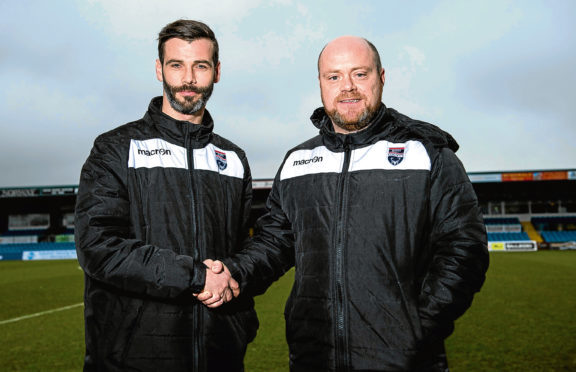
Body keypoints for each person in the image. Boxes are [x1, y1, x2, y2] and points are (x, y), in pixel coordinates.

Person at [204, 36, 490, 371]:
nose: (348, 87)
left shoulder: (427, 153)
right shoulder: (298, 160)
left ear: (381, 77)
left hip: (405, 360)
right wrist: (233, 272)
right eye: (334, 76)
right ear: (321, 84)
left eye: (360, 74)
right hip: (314, 357)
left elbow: (464, 249)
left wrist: (419, 328)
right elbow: (275, 242)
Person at [75, 19, 256, 371]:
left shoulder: (233, 160)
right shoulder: (116, 148)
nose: (188, 79)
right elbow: (98, 246)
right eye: (177, 65)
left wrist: (237, 307)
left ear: (216, 72)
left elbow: (241, 250)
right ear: (159, 69)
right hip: (131, 358)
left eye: (200, 66)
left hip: (220, 355)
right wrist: (196, 276)